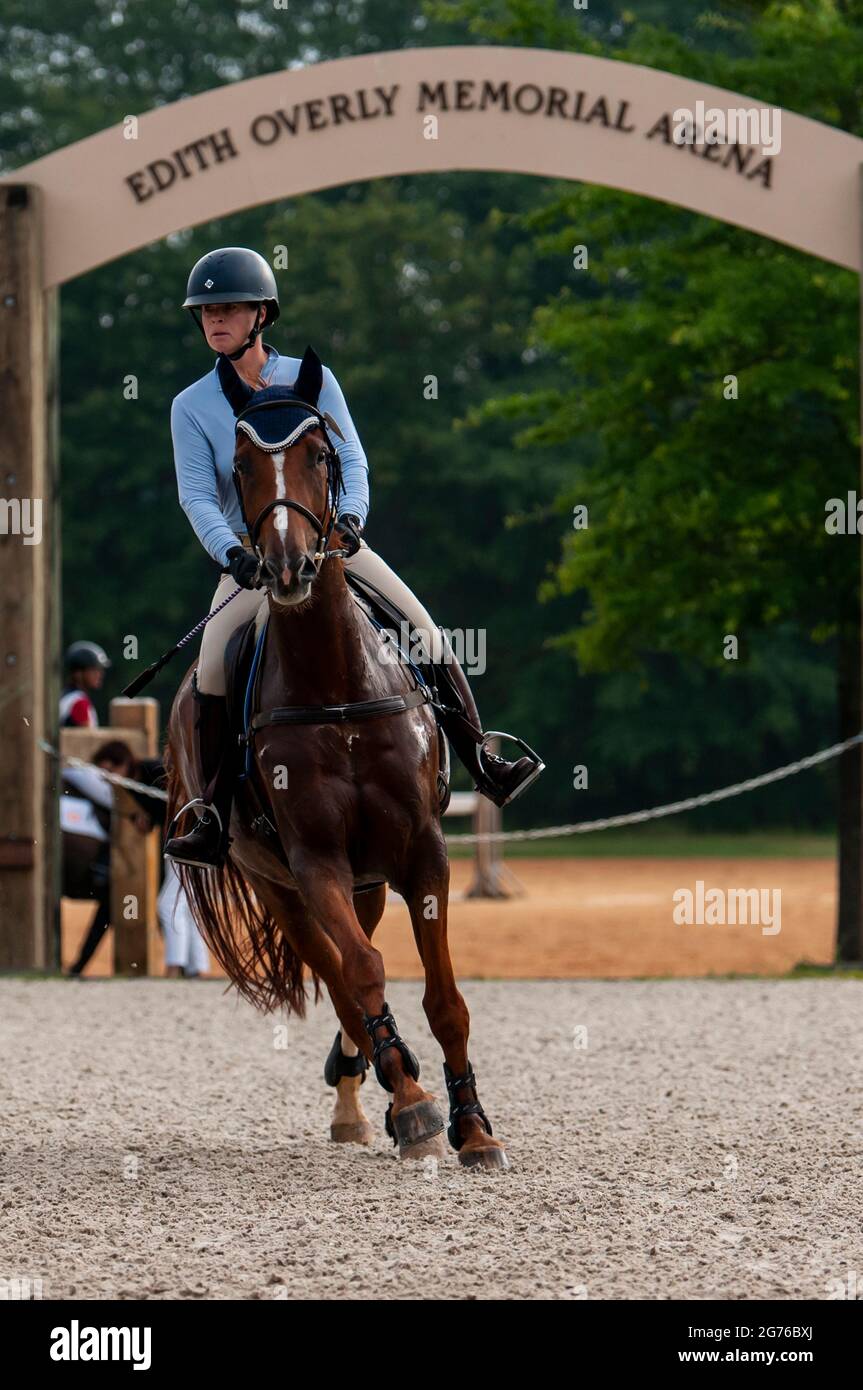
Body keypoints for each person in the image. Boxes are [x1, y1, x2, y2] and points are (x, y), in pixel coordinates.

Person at [164, 246, 544, 868]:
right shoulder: (191, 406)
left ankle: (480, 756)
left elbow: (355, 461)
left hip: (331, 547)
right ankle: (210, 812)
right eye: (205, 311)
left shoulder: (312, 381)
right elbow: (197, 496)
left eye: (228, 307)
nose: (214, 320)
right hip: (251, 564)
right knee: (211, 664)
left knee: (423, 630)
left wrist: (350, 521)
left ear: (262, 314)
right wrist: (231, 553)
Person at [61, 740, 142, 976]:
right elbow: (112, 796)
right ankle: (79, 966)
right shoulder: (87, 776)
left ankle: (79, 966)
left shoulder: (86, 778)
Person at [60, 641, 111, 728]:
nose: (100, 674)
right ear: (78, 673)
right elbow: (88, 739)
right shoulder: (79, 703)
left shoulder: (66, 696)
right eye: (94, 669)